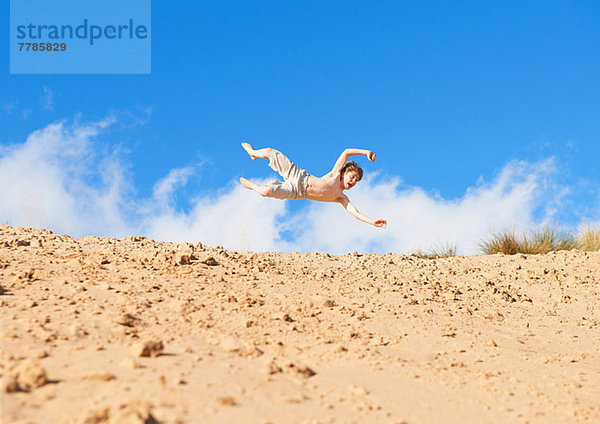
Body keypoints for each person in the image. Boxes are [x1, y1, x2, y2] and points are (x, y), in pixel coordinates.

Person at [239, 143, 387, 228]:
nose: (353, 181)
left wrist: (372, 221)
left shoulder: (341, 197)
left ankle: (252, 186)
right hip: (297, 175)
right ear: (344, 173)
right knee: (271, 152)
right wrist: (366, 152)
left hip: (296, 192)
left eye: (356, 181)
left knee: (265, 191)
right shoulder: (334, 174)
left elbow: (356, 213)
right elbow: (346, 152)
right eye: (352, 177)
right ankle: (252, 152)